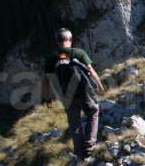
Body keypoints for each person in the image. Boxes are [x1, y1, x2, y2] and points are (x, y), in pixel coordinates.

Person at [41, 28, 104, 159]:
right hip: (83, 91)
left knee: (74, 123)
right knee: (93, 111)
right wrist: (98, 83)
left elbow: (45, 82)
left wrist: (47, 99)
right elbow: (90, 70)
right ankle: (90, 145)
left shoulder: (51, 59)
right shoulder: (79, 53)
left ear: (57, 41)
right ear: (70, 39)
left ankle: (80, 153)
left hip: (66, 96)